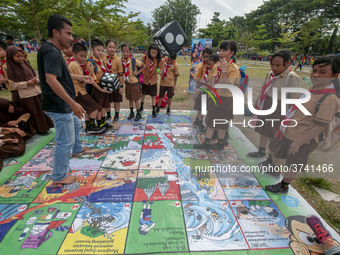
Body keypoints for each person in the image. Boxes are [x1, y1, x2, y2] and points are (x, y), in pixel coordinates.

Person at [265, 55, 340, 193]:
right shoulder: (313, 90)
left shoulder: (329, 99)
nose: (316, 75)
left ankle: (283, 185)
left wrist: (298, 142)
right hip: (291, 131)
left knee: (294, 163)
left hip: (303, 138)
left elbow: (320, 126)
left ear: (334, 76)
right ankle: (276, 172)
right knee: (280, 152)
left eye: (322, 73)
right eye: (314, 71)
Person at [37, 14, 94, 184]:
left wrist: (81, 78)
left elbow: (62, 74)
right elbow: (51, 79)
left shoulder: (53, 51)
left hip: (62, 103)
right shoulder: (50, 51)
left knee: (76, 124)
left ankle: (77, 149)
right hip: (57, 104)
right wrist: (73, 103)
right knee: (64, 141)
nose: (71, 38)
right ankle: (59, 176)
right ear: (55, 32)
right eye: (68, 34)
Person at [247, 50, 301, 167]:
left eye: (278, 65)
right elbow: (263, 90)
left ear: (287, 64)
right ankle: (261, 151)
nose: (274, 68)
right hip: (266, 104)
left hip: (278, 109)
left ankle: (272, 160)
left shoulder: (291, 77)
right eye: (272, 64)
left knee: (273, 135)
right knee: (263, 130)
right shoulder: (270, 74)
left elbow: (295, 99)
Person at [195, 40, 240, 150]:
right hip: (214, 96)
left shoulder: (233, 69)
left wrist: (224, 70)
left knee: (221, 124)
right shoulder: (216, 66)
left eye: (225, 50)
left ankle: (220, 143)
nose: (221, 52)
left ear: (232, 53)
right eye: (220, 50)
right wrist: (200, 89)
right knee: (210, 121)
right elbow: (212, 81)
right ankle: (207, 142)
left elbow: (226, 86)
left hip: (225, 99)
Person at [6, 45, 54, 135]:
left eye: (22, 56)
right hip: (25, 94)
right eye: (18, 56)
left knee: (41, 110)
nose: (21, 58)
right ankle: (39, 129)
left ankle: (45, 127)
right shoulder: (11, 68)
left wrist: (36, 80)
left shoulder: (25, 64)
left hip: (35, 91)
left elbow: (34, 75)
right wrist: (27, 83)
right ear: (11, 57)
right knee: (34, 112)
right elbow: (12, 84)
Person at [68, 43, 105, 133]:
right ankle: (91, 126)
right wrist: (91, 72)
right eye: (81, 56)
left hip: (81, 90)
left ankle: (88, 125)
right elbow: (81, 81)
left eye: (85, 56)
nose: (83, 59)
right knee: (94, 107)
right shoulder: (74, 65)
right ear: (74, 54)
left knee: (89, 108)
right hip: (79, 91)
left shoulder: (77, 64)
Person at [86, 39, 113, 129]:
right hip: (96, 87)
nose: (101, 53)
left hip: (103, 86)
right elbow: (92, 80)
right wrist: (100, 89)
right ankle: (93, 123)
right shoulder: (90, 62)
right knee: (97, 106)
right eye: (98, 50)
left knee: (104, 105)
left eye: (102, 51)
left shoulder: (101, 61)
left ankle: (102, 121)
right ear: (92, 50)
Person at [121, 43, 146, 121]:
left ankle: (138, 113)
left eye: (127, 51)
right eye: (123, 51)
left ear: (130, 52)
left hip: (134, 83)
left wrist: (138, 73)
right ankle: (131, 112)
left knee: (136, 99)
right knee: (130, 99)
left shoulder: (133, 60)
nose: (125, 53)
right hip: (127, 83)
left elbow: (144, 65)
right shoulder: (121, 61)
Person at [192, 47, 214, 132]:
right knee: (201, 107)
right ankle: (199, 122)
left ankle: (201, 121)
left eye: (208, 57)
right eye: (204, 57)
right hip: (202, 89)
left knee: (207, 108)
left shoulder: (214, 67)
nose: (206, 59)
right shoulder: (202, 66)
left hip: (210, 90)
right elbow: (197, 78)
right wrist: (197, 89)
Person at [103, 39, 124, 121]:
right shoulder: (102, 58)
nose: (112, 49)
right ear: (106, 47)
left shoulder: (118, 60)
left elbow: (121, 74)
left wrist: (121, 86)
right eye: (110, 47)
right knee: (107, 100)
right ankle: (108, 114)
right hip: (105, 83)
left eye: (114, 47)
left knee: (116, 100)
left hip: (116, 83)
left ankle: (116, 115)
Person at [140, 43, 162, 118]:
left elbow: (158, 68)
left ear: (157, 53)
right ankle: (141, 106)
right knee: (143, 94)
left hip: (153, 80)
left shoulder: (158, 60)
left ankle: (153, 110)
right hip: (145, 79)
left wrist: (159, 71)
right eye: (152, 52)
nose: (153, 54)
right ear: (149, 51)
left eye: (155, 53)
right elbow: (141, 66)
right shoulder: (144, 58)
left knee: (153, 96)